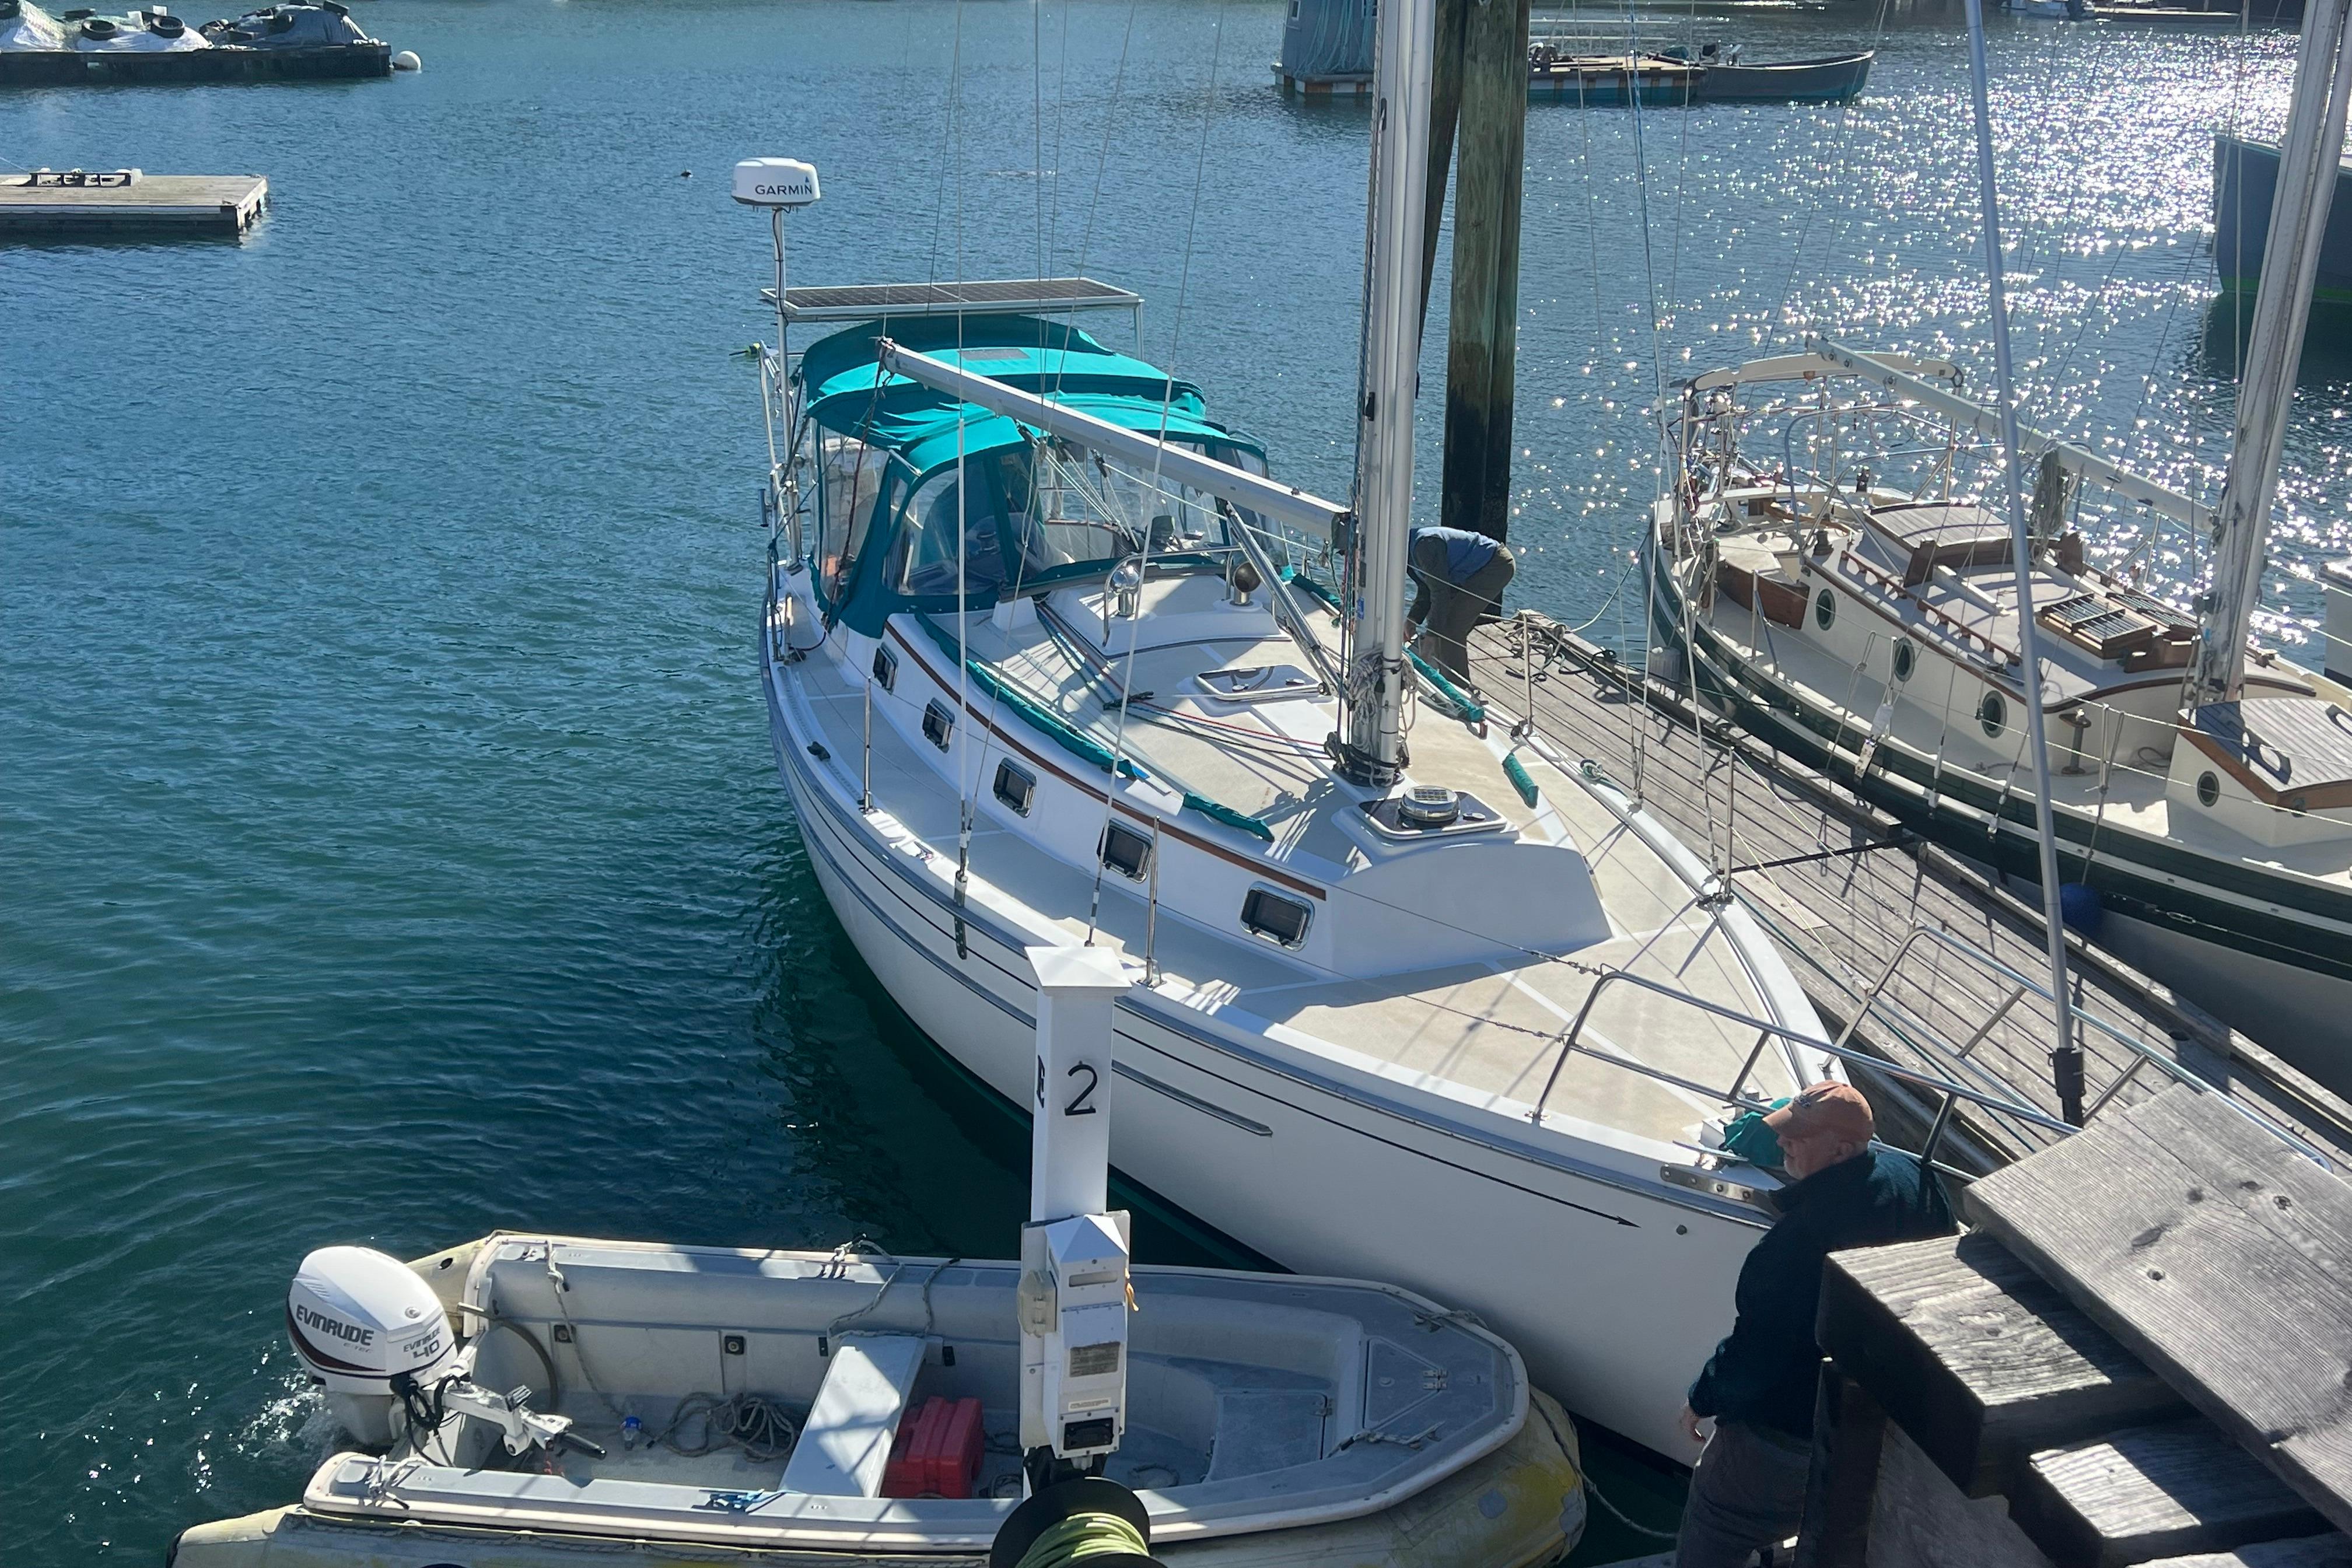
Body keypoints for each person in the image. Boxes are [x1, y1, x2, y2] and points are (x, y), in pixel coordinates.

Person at [1675, 1083, 1956, 1568]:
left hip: (1783, 1436)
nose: (1784, 1144)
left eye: (1798, 1137)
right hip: (1880, 1423)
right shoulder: (1916, 1181)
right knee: (1834, 1533)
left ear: (1842, 1150)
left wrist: (1702, 1398)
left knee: (1720, 1523)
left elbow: (1759, 1350)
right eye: (1786, 1131)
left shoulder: (1797, 1242)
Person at [1405, 524, 1516, 691]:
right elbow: (1426, 589)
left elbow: (1440, 592)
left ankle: (1458, 689)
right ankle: (1444, 678)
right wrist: (1412, 618)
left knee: (1450, 627)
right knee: (1441, 621)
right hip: (1469, 570)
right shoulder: (1407, 556)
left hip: (1495, 564)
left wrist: (1431, 636)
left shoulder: (1424, 547)